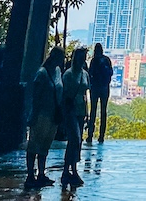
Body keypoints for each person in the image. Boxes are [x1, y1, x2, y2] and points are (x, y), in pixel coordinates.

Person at [26, 47, 64, 189]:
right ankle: (30, 174)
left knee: (44, 146)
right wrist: (33, 115)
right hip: (41, 114)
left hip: (53, 115)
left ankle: (41, 173)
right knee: (34, 144)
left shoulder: (58, 72)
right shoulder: (42, 74)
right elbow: (36, 97)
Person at [60, 48, 89, 190]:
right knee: (75, 139)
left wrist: (87, 113)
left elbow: (85, 95)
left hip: (80, 110)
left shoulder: (84, 74)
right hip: (70, 110)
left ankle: (67, 170)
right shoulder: (69, 75)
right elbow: (64, 95)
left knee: (75, 141)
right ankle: (73, 170)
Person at [86, 44, 113, 145]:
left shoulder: (94, 61)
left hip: (95, 88)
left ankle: (90, 135)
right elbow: (110, 72)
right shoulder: (106, 60)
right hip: (105, 88)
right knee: (103, 112)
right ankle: (101, 136)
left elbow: (90, 73)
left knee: (93, 111)